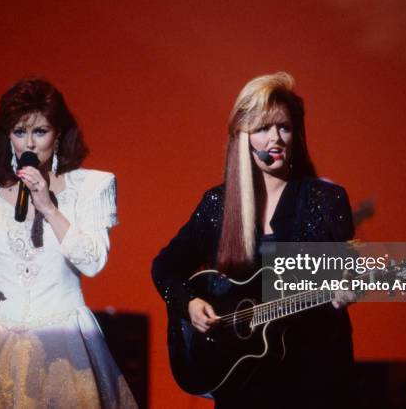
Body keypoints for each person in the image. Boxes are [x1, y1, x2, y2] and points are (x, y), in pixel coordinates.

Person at [152, 72, 356, 408]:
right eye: (263, 128)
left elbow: (344, 267)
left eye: (284, 127)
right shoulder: (218, 204)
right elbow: (165, 267)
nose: (276, 138)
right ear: (243, 137)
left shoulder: (326, 198)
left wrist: (348, 286)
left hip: (312, 377)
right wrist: (188, 304)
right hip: (243, 383)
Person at [0, 78, 137, 408]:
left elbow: (93, 261)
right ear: (7, 137)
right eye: (19, 132)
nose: (29, 143)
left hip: (64, 335)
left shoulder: (92, 187)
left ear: (57, 135)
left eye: (40, 131)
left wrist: (48, 207)